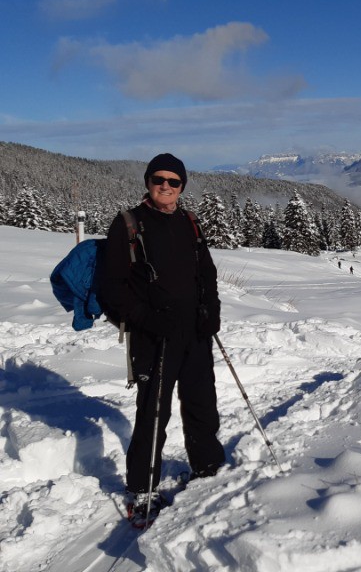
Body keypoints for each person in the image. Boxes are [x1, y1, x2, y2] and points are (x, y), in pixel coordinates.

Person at [99, 153, 225, 526]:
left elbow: (207, 272)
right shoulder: (128, 225)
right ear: (148, 182)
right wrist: (149, 320)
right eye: (159, 179)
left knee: (202, 403)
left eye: (174, 181)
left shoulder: (189, 221)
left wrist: (211, 311)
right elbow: (112, 289)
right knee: (154, 412)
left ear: (182, 186)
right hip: (153, 337)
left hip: (194, 333)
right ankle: (142, 490)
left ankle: (208, 468)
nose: (165, 186)